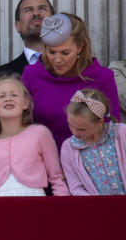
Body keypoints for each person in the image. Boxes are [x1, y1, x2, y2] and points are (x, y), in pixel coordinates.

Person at [21, 13, 121, 150]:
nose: (57, 59)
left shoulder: (103, 77)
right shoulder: (31, 75)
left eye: (65, 53)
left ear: (80, 47)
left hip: (90, 166)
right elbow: (20, 127)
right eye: (51, 52)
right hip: (44, 165)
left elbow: (113, 132)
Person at [0, 74, 68, 197]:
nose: (8, 99)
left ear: (25, 103)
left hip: (34, 204)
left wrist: (60, 210)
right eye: (2, 96)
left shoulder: (40, 133)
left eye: (14, 95)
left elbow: (56, 177)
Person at [0, 0, 54, 136]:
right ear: (17, 25)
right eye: (28, 10)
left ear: (55, 22)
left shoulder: (75, 69)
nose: (36, 14)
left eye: (42, 9)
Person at [60, 89, 126, 196]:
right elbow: (76, 187)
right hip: (96, 209)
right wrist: (97, 205)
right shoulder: (68, 147)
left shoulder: (121, 133)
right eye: (70, 125)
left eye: (82, 129)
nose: (74, 132)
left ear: (100, 122)